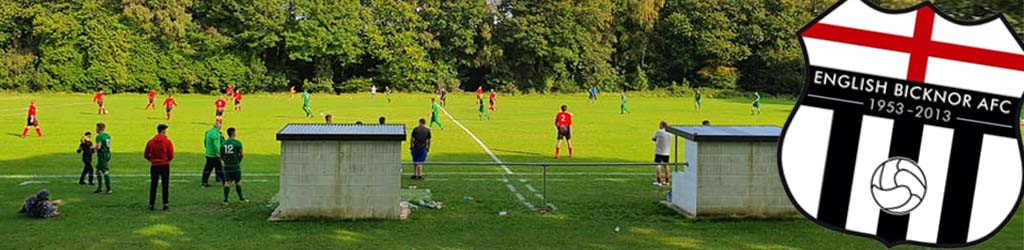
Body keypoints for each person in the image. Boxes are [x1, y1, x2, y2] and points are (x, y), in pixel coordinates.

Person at [144, 124, 174, 211]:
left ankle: (151, 204)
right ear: (163, 131)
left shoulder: (150, 142)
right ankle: (165, 203)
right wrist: (167, 160)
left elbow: (146, 154)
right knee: (165, 185)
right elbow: (171, 154)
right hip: (164, 165)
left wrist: (152, 160)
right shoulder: (167, 142)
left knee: (153, 185)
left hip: (154, 166)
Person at [221, 127, 248, 207]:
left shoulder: (223, 144)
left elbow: (221, 156)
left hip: (227, 166)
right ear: (233, 133)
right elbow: (242, 154)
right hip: (236, 166)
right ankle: (241, 199)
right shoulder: (238, 143)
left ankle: (226, 200)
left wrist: (225, 161)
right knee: (238, 182)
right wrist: (238, 161)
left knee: (227, 183)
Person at [202, 123, 224, 188]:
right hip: (214, 155)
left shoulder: (209, 132)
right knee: (220, 169)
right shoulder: (216, 134)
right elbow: (216, 145)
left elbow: (205, 142)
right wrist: (219, 154)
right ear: (218, 127)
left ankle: (204, 182)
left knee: (207, 169)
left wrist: (207, 149)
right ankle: (225, 182)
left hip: (208, 154)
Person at [652, 121, 672, 186]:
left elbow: (653, 138)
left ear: (662, 125)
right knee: (666, 165)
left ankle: (659, 181)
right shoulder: (670, 133)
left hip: (659, 151)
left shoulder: (659, 131)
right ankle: (667, 181)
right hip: (667, 151)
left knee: (658, 165)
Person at [93, 123, 112, 194]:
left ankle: (108, 189)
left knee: (105, 171)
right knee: (98, 170)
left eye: (96, 128)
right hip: (107, 154)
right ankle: (100, 188)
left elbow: (99, 147)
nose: (96, 129)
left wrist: (92, 148)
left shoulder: (99, 137)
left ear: (99, 128)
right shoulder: (107, 136)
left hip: (102, 155)